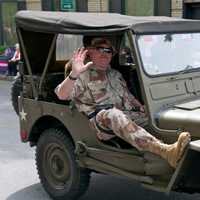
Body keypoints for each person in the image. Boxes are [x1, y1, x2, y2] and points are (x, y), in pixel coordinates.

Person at [55, 37, 191, 168]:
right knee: (113, 115)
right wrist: (74, 74)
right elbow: (62, 95)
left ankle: (180, 148)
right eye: (100, 49)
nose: (105, 53)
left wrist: (141, 108)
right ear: (89, 51)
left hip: (124, 116)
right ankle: (165, 151)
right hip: (100, 122)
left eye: (109, 51)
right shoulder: (81, 75)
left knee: (156, 116)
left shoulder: (115, 74)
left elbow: (128, 97)